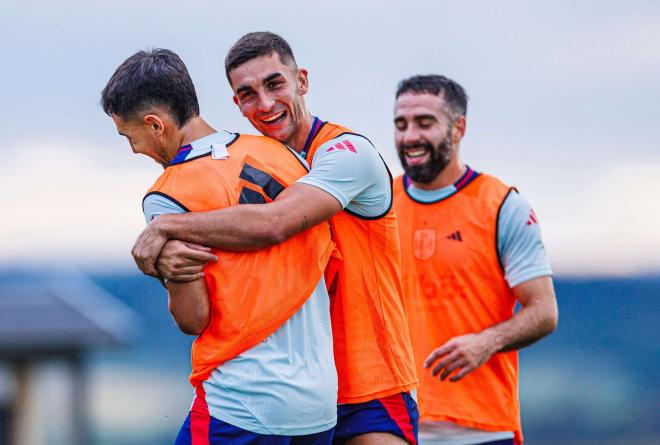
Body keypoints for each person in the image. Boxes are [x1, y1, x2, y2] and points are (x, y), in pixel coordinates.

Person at [131, 32, 419, 445]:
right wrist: (175, 264)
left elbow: (275, 223)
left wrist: (165, 227)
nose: (264, 104)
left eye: (275, 84)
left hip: (368, 382)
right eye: (247, 94)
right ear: (236, 105)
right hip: (305, 390)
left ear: (301, 81)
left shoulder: (347, 153)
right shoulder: (260, 160)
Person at [101, 48, 339, 444]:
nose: (133, 149)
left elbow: (193, 317)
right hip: (318, 404)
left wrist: (167, 269)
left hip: (243, 402)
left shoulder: (168, 196)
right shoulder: (278, 151)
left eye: (130, 137)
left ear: (155, 125)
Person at [391, 74, 558, 445]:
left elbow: (544, 311)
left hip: (480, 427)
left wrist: (487, 342)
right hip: (394, 425)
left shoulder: (501, 206)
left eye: (424, 123)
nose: (409, 137)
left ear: (458, 128)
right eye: (401, 125)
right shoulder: (379, 206)